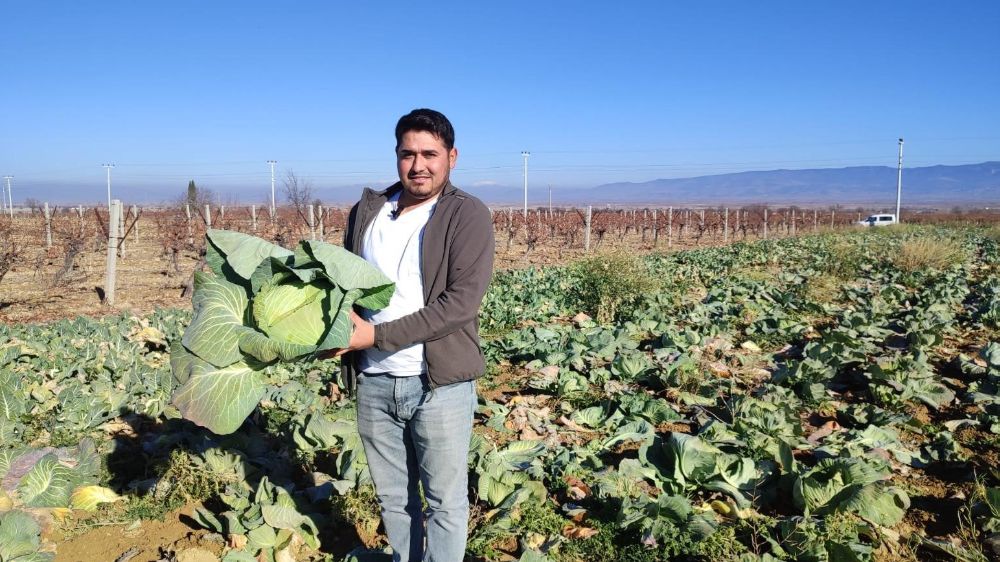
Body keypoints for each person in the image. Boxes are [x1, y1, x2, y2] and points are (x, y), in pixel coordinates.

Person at [335, 108, 495, 562]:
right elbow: (346, 286)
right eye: (408, 154)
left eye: (430, 154)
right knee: (394, 501)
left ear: (452, 157)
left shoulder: (467, 215)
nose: (418, 164)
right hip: (374, 381)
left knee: (445, 503)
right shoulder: (367, 213)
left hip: (437, 383)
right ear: (397, 156)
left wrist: (375, 336)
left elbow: (459, 306)